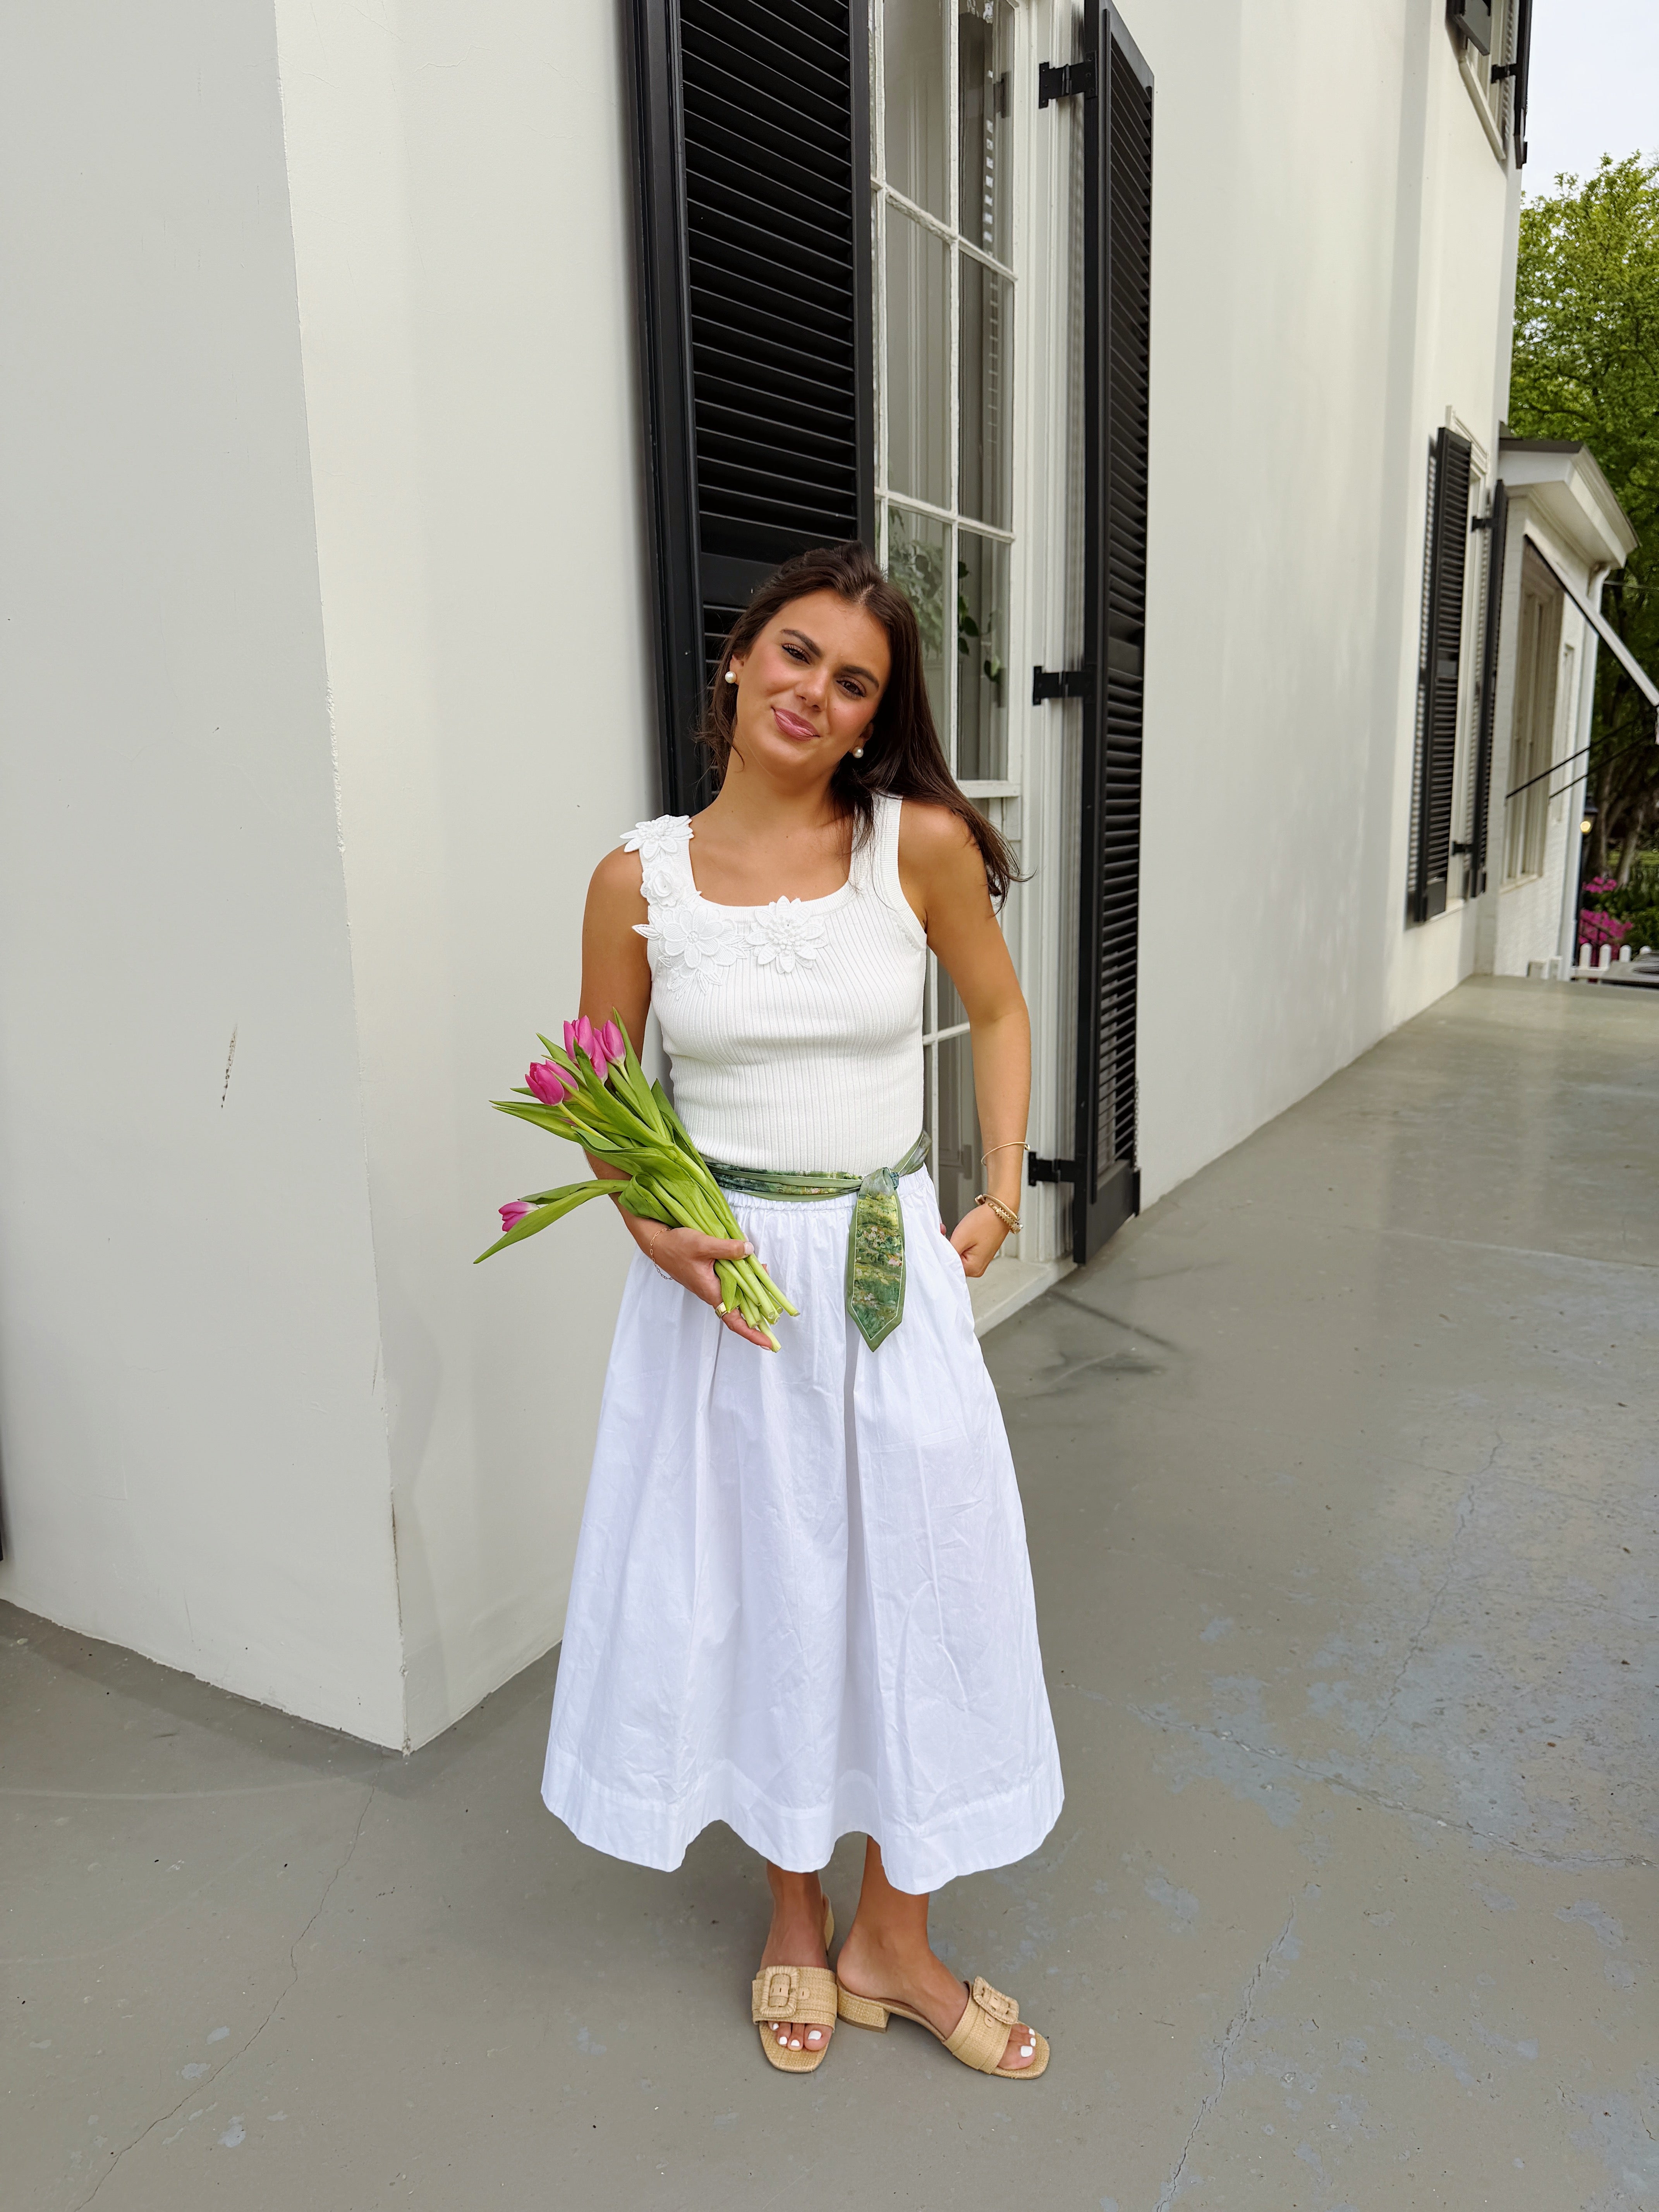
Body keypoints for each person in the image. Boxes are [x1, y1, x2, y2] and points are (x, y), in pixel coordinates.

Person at [542, 541, 1063, 2078]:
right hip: (733, 1288)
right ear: (738, 661)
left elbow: (1002, 1005)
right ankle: (793, 1914)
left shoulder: (919, 846)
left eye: (854, 682)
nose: (816, 692)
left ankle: (891, 1938)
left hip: (887, 1269)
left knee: (926, 1570)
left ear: (869, 719)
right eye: (796, 655)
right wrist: (649, 1222)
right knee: (768, 1578)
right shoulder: (637, 879)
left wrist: (999, 1187)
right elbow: (591, 1075)